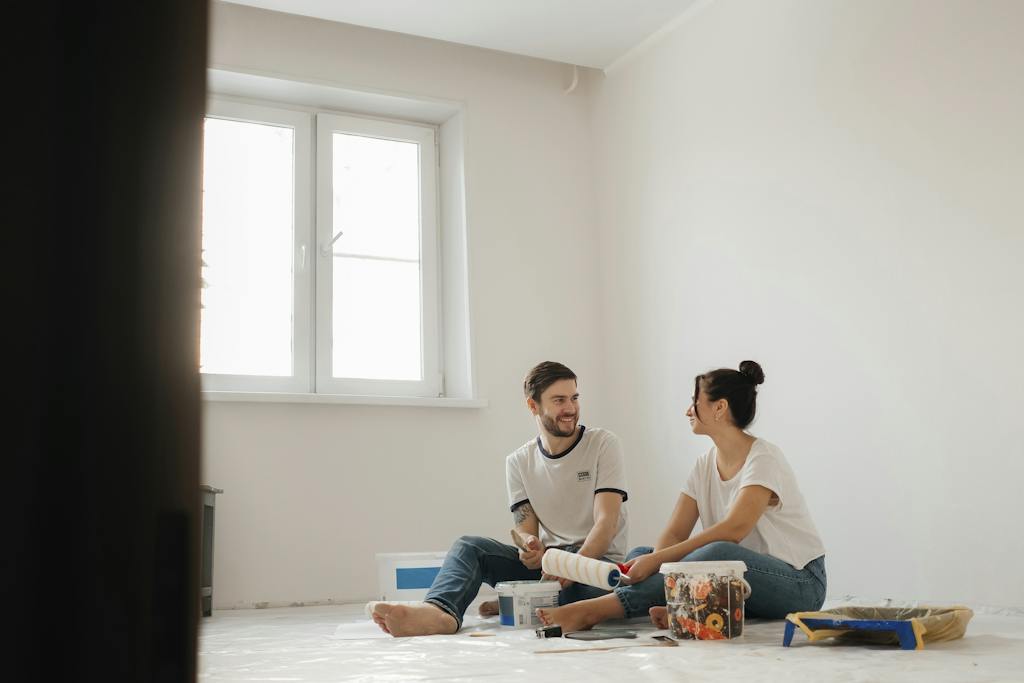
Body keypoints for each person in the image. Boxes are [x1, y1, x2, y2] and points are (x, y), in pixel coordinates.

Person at [537, 360, 826, 633]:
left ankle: (595, 611)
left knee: (718, 553)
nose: (688, 410)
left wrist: (658, 564)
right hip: (740, 581)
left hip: (800, 582)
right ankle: (674, 603)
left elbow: (733, 530)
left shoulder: (764, 458)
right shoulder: (704, 465)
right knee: (641, 555)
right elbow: (675, 533)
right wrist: (655, 562)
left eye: (694, 402)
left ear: (719, 408)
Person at [369, 361, 630, 636]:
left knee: (600, 591)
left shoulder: (603, 443)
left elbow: (606, 524)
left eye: (574, 398)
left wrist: (571, 566)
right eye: (559, 400)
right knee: (469, 546)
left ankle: (521, 600)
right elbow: (526, 532)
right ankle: (441, 612)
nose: (571, 408)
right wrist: (528, 547)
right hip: (550, 566)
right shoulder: (518, 461)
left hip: (594, 567)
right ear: (533, 406)